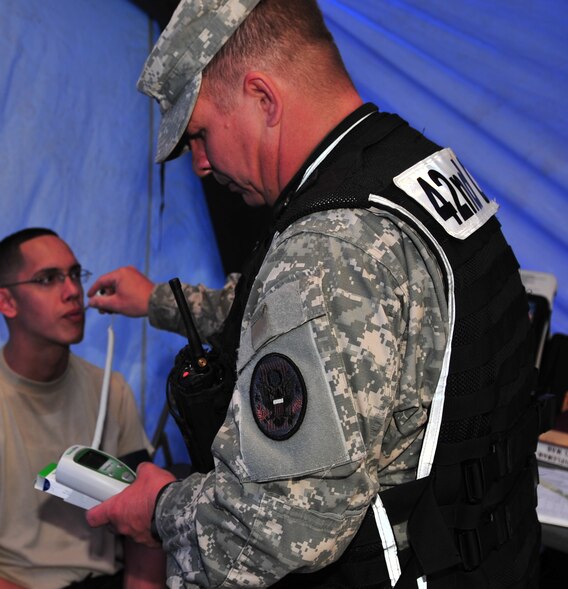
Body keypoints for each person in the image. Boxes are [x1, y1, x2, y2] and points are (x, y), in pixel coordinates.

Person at [86, 1, 542, 587]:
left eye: (200, 134)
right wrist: (159, 301)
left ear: (263, 98)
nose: (199, 164)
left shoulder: (326, 250)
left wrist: (157, 508)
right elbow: (339, 320)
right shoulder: (411, 165)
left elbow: (277, 528)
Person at [0, 228, 166, 589]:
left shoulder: (110, 389)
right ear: (6, 303)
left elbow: (145, 532)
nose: (73, 290)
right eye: (48, 279)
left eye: (74, 274)